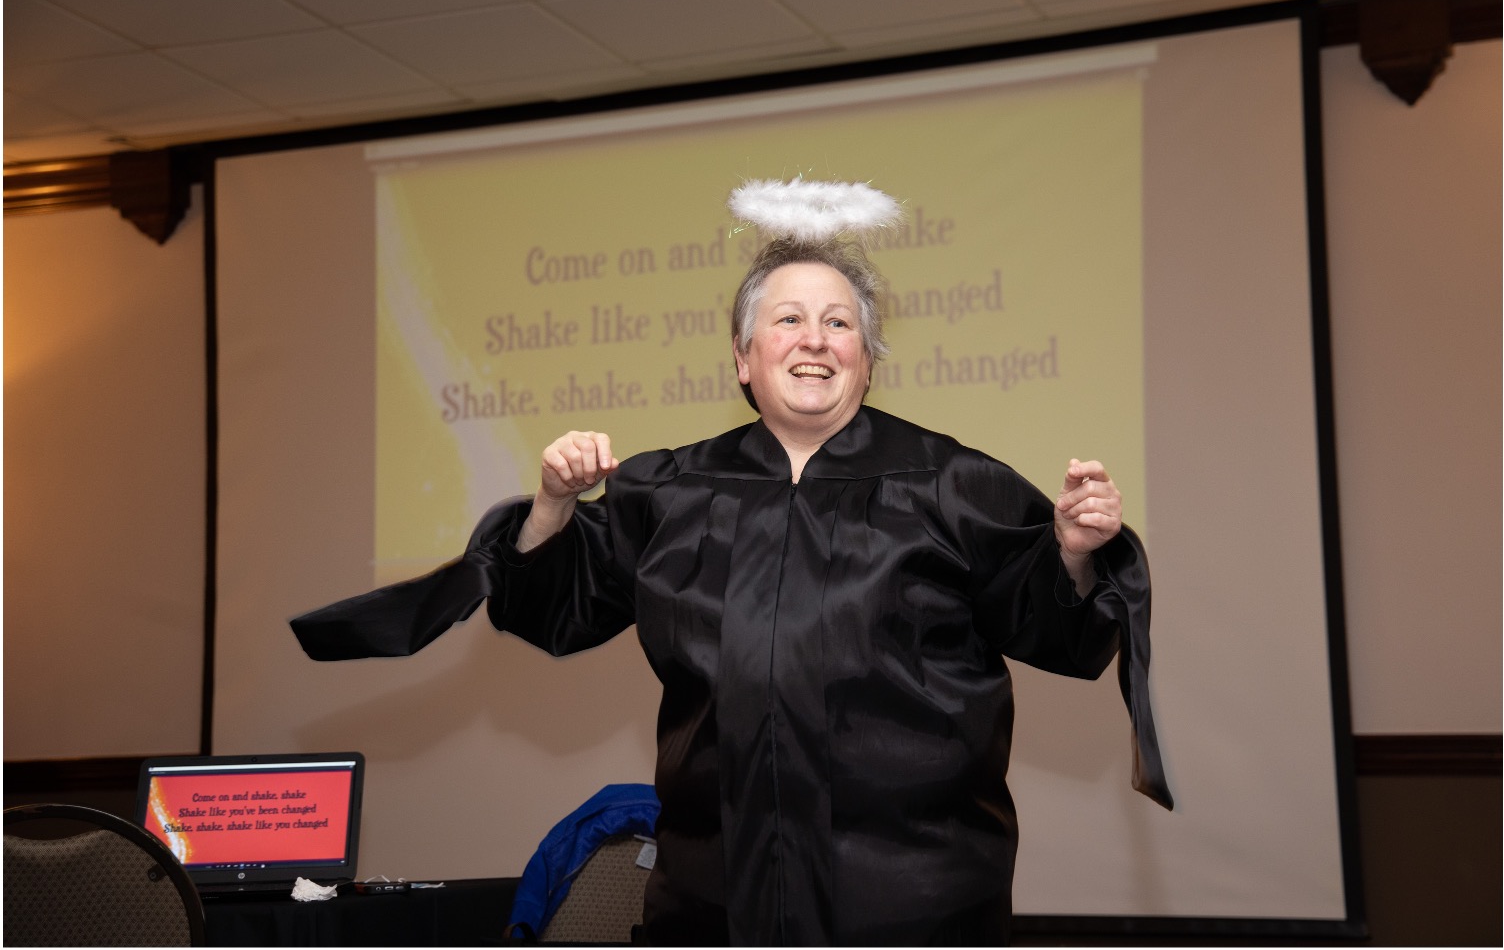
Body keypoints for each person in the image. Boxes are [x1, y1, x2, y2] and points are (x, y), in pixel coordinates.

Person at [292, 180, 1172, 946]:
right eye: (787, 320)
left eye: (840, 324)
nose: (815, 339)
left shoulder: (954, 482)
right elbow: (555, 612)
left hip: (912, 896)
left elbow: (1055, 626)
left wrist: (1072, 550)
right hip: (713, 888)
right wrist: (555, 504)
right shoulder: (670, 490)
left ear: (867, 360)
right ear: (744, 360)